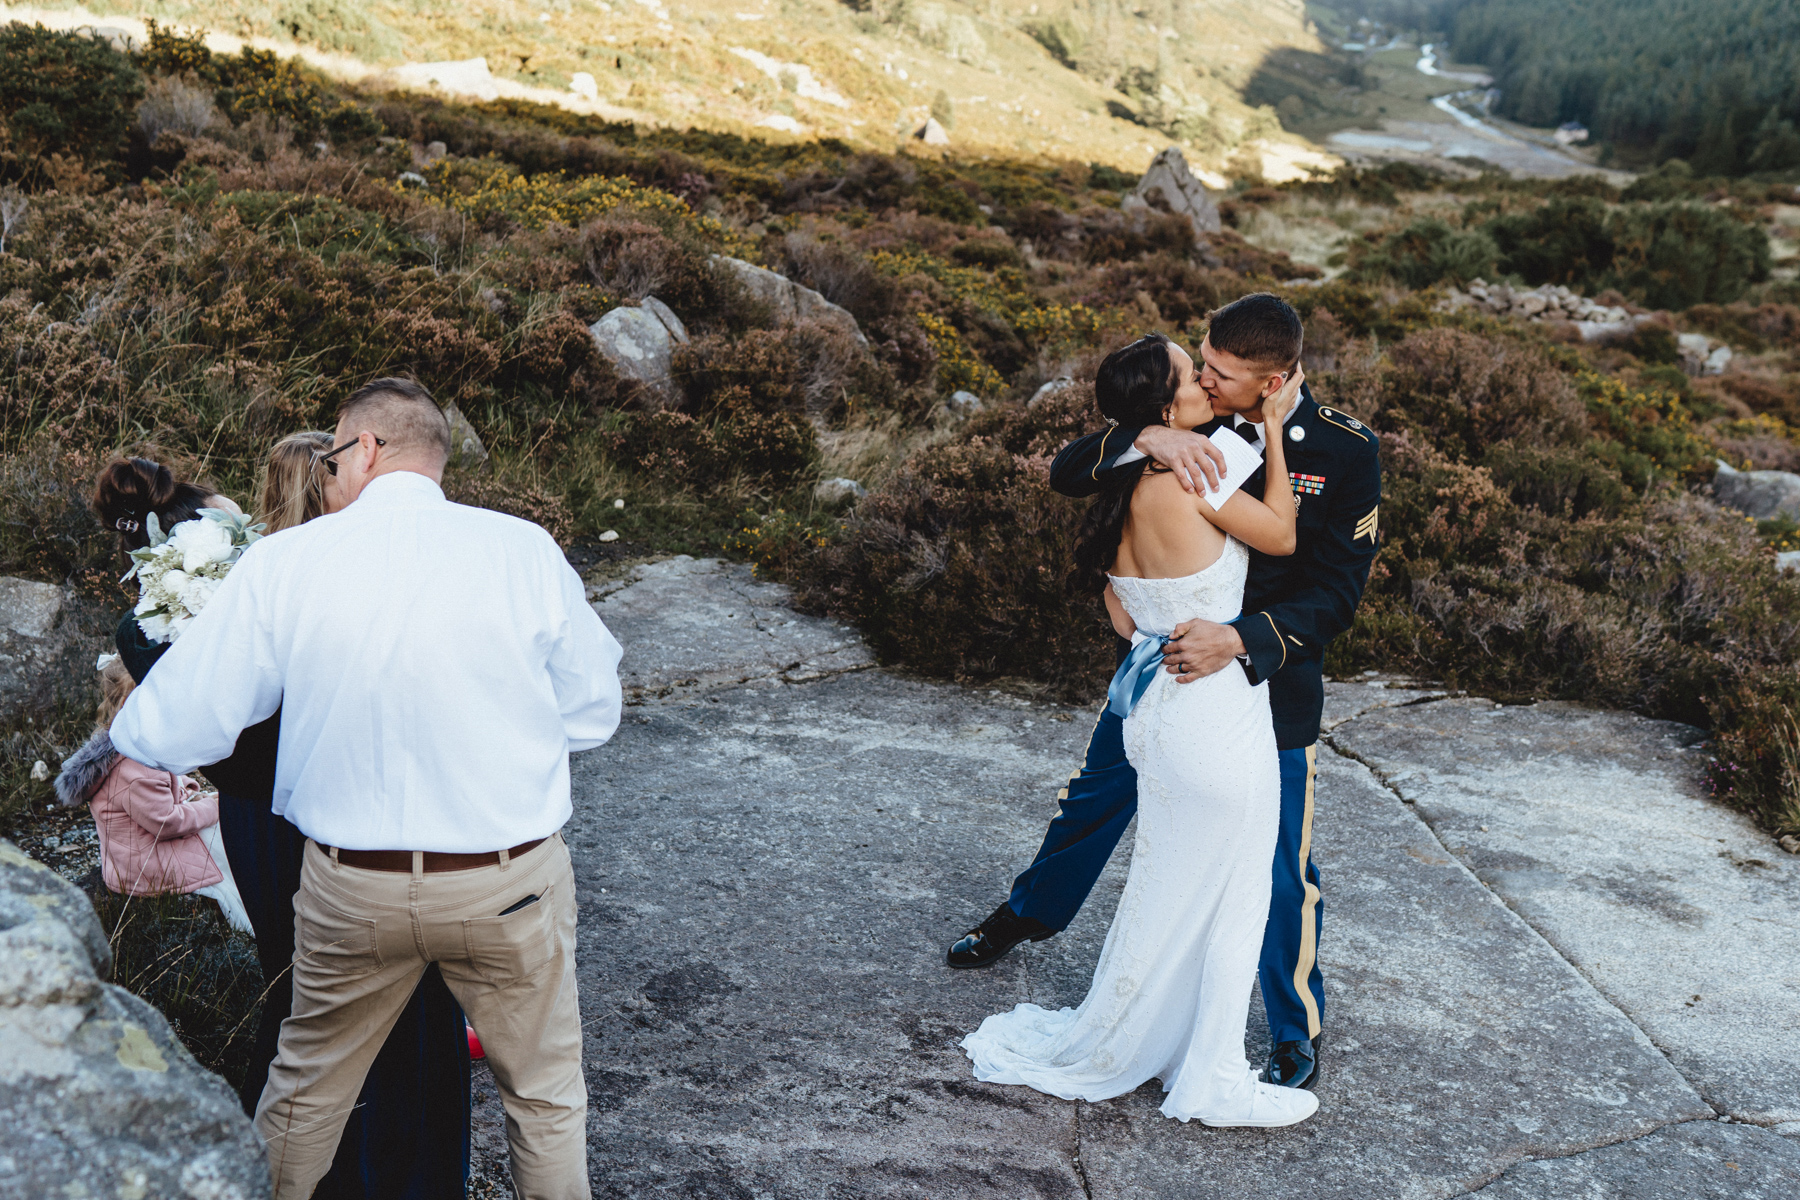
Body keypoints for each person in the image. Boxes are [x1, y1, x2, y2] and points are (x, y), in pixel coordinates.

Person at [110, 377, 623, 1200]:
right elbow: (594, 711)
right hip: (510, 882)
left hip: (356, 887)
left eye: (336, 455)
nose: (330, 474)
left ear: (369, 449)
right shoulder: (524, 548)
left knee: (305, 1093)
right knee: (546, 1101)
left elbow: (178, 726)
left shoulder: (288, 561)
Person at [948, 294, 1383, 1094]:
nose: (1207, 382)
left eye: (1220, 371)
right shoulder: (1193, 422)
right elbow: (1067, 470)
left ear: (1275, 379)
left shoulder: (1344, 451)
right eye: (1203, 364)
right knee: (1093, 803)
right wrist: (1144, 432)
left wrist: (1242, 639)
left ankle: (1294, 1028)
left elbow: (1335, 594)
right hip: (1161, 676)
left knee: (1284, 862)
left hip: (1266, 686)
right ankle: (1026, 915)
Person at [95, 447, 476, 1199]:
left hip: (257, 816)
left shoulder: (233, 604)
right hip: (356, 825)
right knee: (391, 1007)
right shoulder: (346, 587)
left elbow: (160, 711)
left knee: (300, 993)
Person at [54, 655, 251, 935]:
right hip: (146, 870)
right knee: (226, 837)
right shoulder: (138, 765)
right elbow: (167, 822)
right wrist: (218, 806)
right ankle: (252, 916)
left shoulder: (121, 747)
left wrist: (181, 785)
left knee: (212, 821)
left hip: (127, 860)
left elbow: (151, 789)